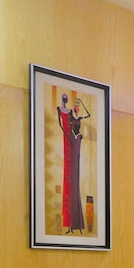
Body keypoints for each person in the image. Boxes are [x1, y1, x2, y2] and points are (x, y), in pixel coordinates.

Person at [57, 93, 89, 234]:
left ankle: (75, 224)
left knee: (75, 179)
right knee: (70, 181)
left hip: (76, 142)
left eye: (77, 110)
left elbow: (88, 115)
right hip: (70, 141)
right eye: (64, 99)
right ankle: (71, 224)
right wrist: (66, 136)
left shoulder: (77, 117)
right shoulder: (65, 113)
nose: (76, 111)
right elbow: (61, 124)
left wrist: (81, 103)